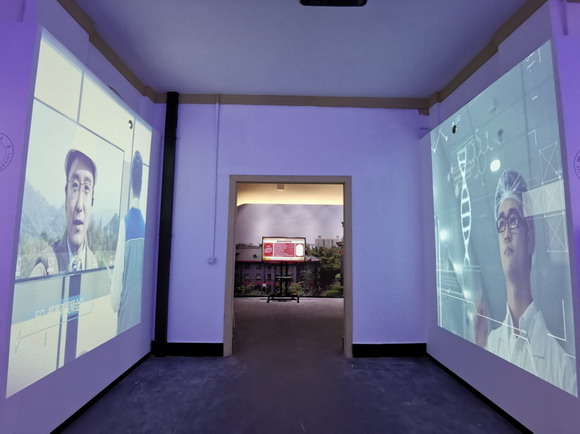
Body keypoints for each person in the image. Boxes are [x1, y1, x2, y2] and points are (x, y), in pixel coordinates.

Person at [485, 169, 577, 395]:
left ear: (531, 238)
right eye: (501, 222)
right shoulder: (491, 343)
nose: (506, 233)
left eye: (514, 220)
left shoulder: (563, 367)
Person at [30, 149, 98, 276]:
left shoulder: (97, 269)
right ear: (66, 195)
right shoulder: (43, 271)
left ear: (92, 202)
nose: (79, 205)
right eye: (75, 186)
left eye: (87, 188)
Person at [110, 151, 145, 334]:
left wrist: (115, 302)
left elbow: (118, 273)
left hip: (126, 312)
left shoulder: (126, 222)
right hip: (142, 310)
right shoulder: (146, 224)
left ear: (131, 181)